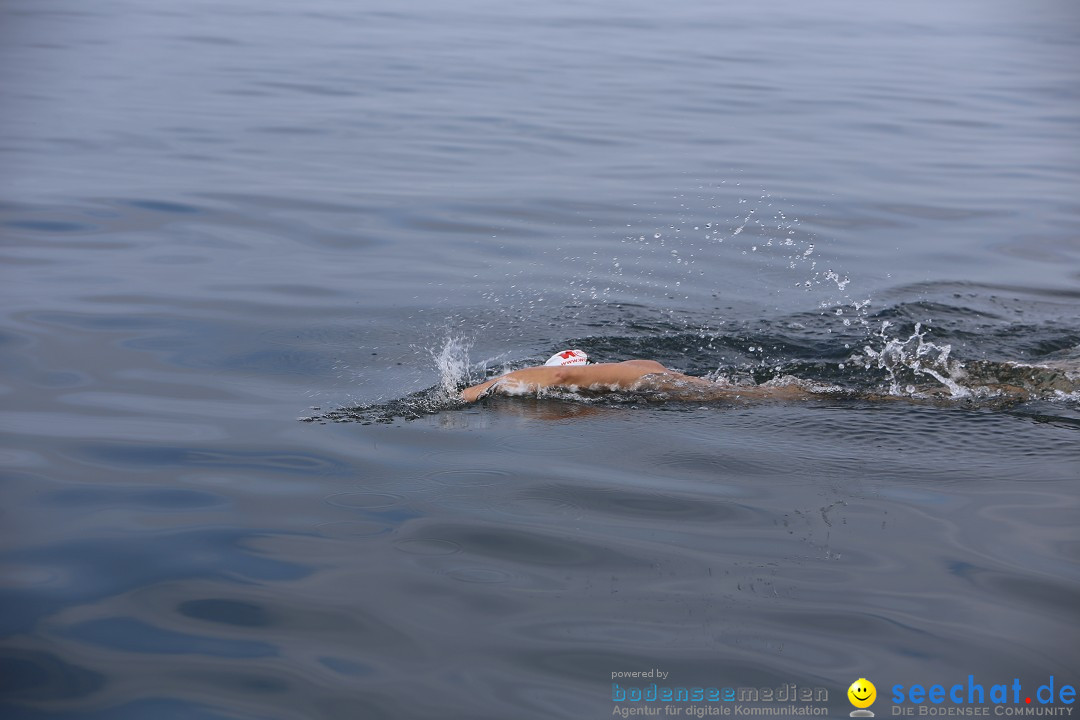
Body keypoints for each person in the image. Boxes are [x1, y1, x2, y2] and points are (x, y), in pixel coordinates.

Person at [460, 349, 810, 403]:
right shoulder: (531, 375)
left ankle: (813, 394)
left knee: (754, 396)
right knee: (734, 390)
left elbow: (560, 377)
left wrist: (471, 395)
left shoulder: (519, 378)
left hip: (646, 378)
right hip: (645, 369)